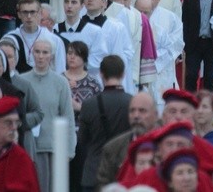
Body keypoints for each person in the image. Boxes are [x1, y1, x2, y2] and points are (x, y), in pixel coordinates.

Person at [20, 35, 76, 191]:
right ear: (32, 54)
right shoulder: (22, 81)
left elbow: (68, 117)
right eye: (37, 52)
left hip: (53, 148)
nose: (41, 56)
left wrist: (69, 150)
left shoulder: (61, 82)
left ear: (51, 56)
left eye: (45, 52)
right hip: (29, 147)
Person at [78, 55, 132, 192]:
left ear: (101, 73)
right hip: (122, 173)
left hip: (93, 173)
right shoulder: (132, 103)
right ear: (123, 74)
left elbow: (82, 141)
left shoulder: (89, 105)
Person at [63, 40, 103, 192]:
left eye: (76, 54)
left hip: (84, 136)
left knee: (80, 175)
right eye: (69, 53)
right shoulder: (60, 80)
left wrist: (79, 107)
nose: (72, 57)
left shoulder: (93, 83)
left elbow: (98, 112)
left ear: (84, 58)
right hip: (63, 133)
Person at [96, 92, 160, 187]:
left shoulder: (167, 143)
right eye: (132, 111)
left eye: (142, 111)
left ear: (156, 115)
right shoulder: (113, 148)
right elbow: (103, 184)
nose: (136, 116)